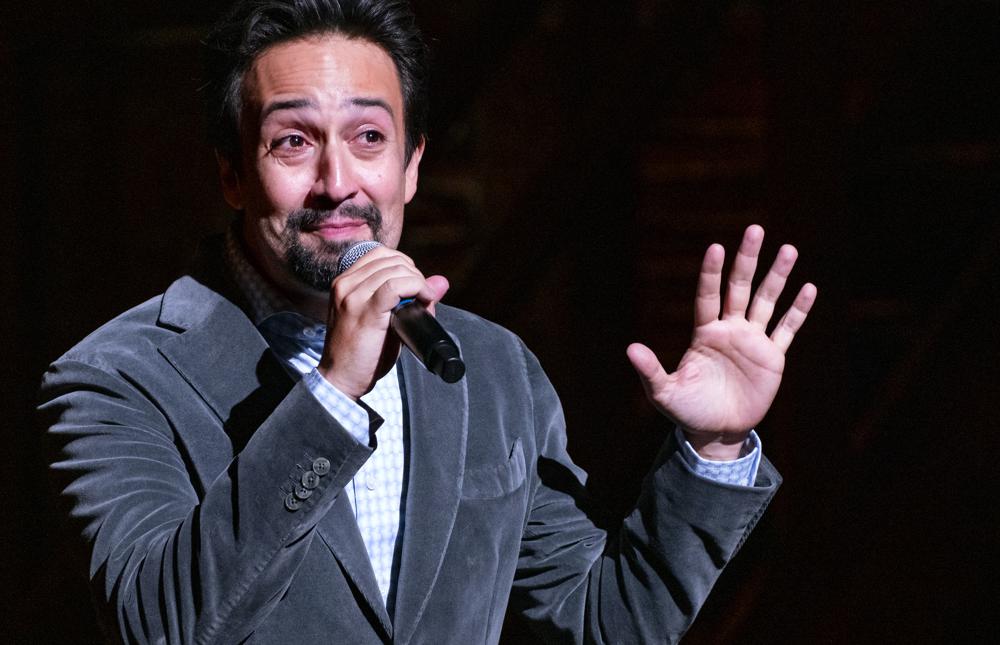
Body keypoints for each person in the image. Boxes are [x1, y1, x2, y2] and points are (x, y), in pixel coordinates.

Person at [39, 1, 817, 643]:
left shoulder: (493, 364)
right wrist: (333, 392)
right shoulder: (115, 378)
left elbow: (603, 621)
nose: (337, 181)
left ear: (411, 166)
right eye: (293, 141)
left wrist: (713, 450)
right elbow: (159, 624)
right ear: (233, 173)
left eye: (369, 138)